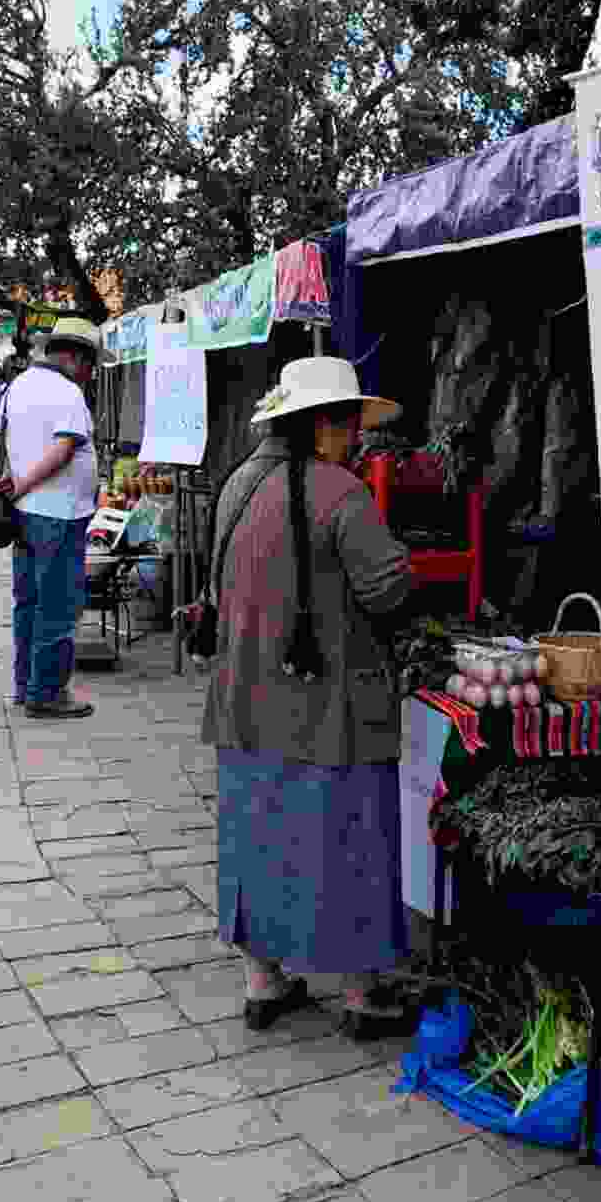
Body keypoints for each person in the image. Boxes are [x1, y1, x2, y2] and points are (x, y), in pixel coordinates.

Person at [200, 356, 416, 1040]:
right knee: (348, 840)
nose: (356, 438)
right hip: (331, 709)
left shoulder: (237, 483)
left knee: (255, 836)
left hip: (243, 698)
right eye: (350, 425)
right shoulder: (341, 494)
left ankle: (263, 980)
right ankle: (363, 993)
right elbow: (387, 589)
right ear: (324, 424)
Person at [0, 320, 100, 718]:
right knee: (57, 605)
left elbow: (7, 442)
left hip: (26, 515)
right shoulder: (67, 392)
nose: (90, 375)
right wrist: (22, 484)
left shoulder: (18, 385)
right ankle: (48, 694)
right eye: (90, 365)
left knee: (29, 602)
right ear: (75, 358)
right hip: (58, 515)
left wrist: (16, 482)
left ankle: (26, 685)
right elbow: (62, 450)